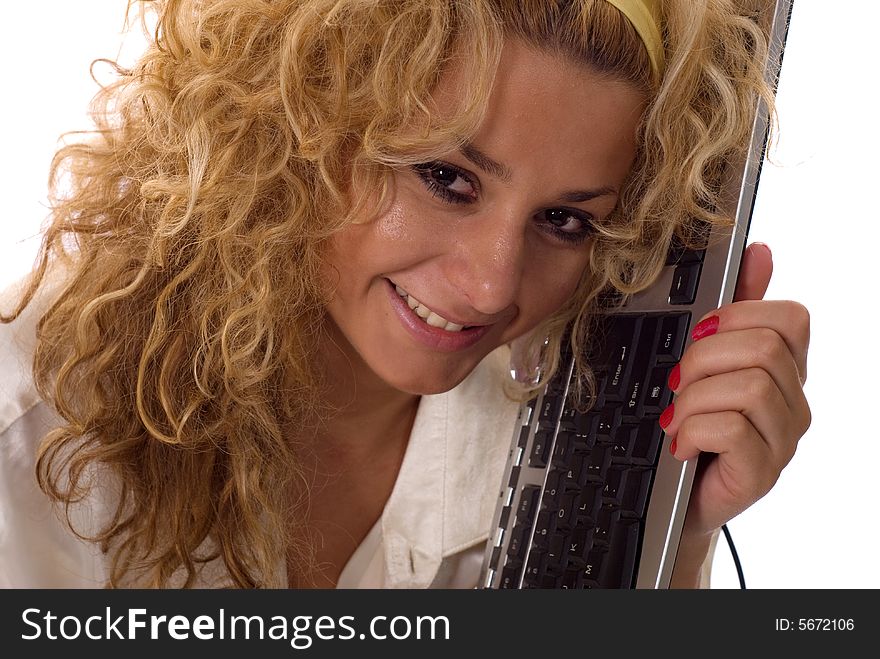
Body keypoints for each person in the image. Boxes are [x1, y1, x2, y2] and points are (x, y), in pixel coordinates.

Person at [0, 0, 811, 589]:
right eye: (446, 178)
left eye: (563, 220)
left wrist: (672, 536)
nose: (492, 283)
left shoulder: (547, 443)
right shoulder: (30, 424)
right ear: (302, 113)